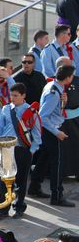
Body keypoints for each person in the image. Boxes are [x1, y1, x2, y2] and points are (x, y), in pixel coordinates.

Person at [0, 83, 42, 220]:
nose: (12, 98)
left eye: (16, 95)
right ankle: (2, 209)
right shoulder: (6, 109)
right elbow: (0, 127)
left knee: (21, 181)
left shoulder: (30, 111)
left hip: (23, 150)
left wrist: (31, 150)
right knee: (5, 179)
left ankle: (19, 207)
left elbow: (37, 133)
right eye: (11, 95)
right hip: (7, 149)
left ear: (23, 96)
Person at [37, 65, 76, 206]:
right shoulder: (54, 93)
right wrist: (57, 132)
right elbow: (43, 116)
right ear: (68, 78)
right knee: (58, 164)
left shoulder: (53, 86)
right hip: (53, 131)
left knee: (44, 159)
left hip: (52, 130)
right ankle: (57, 195)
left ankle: (34, 186)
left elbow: (55, 110)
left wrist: (63, 103)